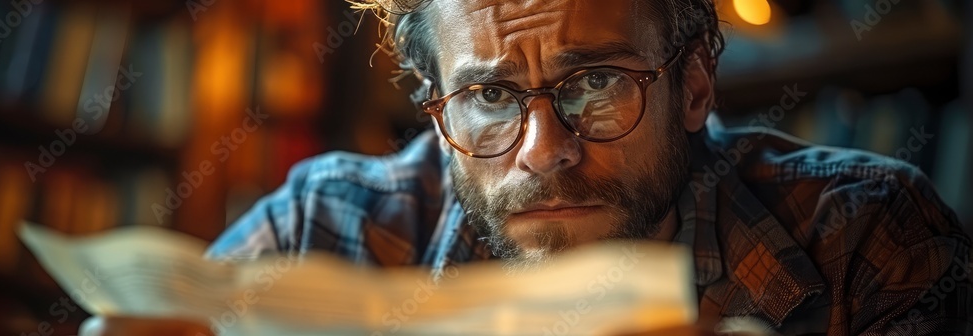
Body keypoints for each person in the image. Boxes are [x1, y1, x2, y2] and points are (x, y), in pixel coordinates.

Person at [83, 0, 972, 335]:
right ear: (436, 109)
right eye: (492, 99)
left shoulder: (865, 236)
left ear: (695, 82)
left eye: (593, 82)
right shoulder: (327, 226)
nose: (544, 153)